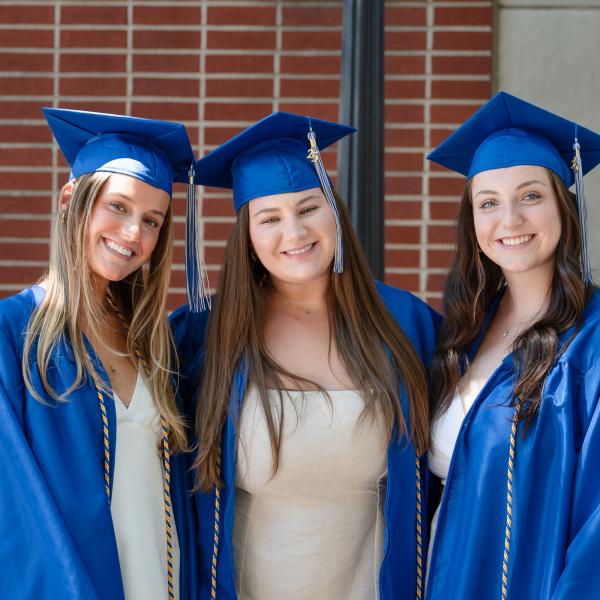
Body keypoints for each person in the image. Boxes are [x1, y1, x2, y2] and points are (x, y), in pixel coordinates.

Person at [171, 112, 440, 600]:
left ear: (334, 213)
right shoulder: (204, 337)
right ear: (247, 236)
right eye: (269, 218)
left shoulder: (407, 325)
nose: (293, 232)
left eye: (308, 208)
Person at [0, 108, 201, 599]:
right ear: (71, 200)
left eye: (151, 220)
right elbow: (14, 510)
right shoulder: (12, 334)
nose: (133, 233)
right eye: (118, 207)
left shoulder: (154, 344)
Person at [425, 91, 600, 599]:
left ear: (564, 206)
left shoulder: (591, 342)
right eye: (488, 203)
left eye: (530, 196)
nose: (510, 220)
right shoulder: (462, 332)